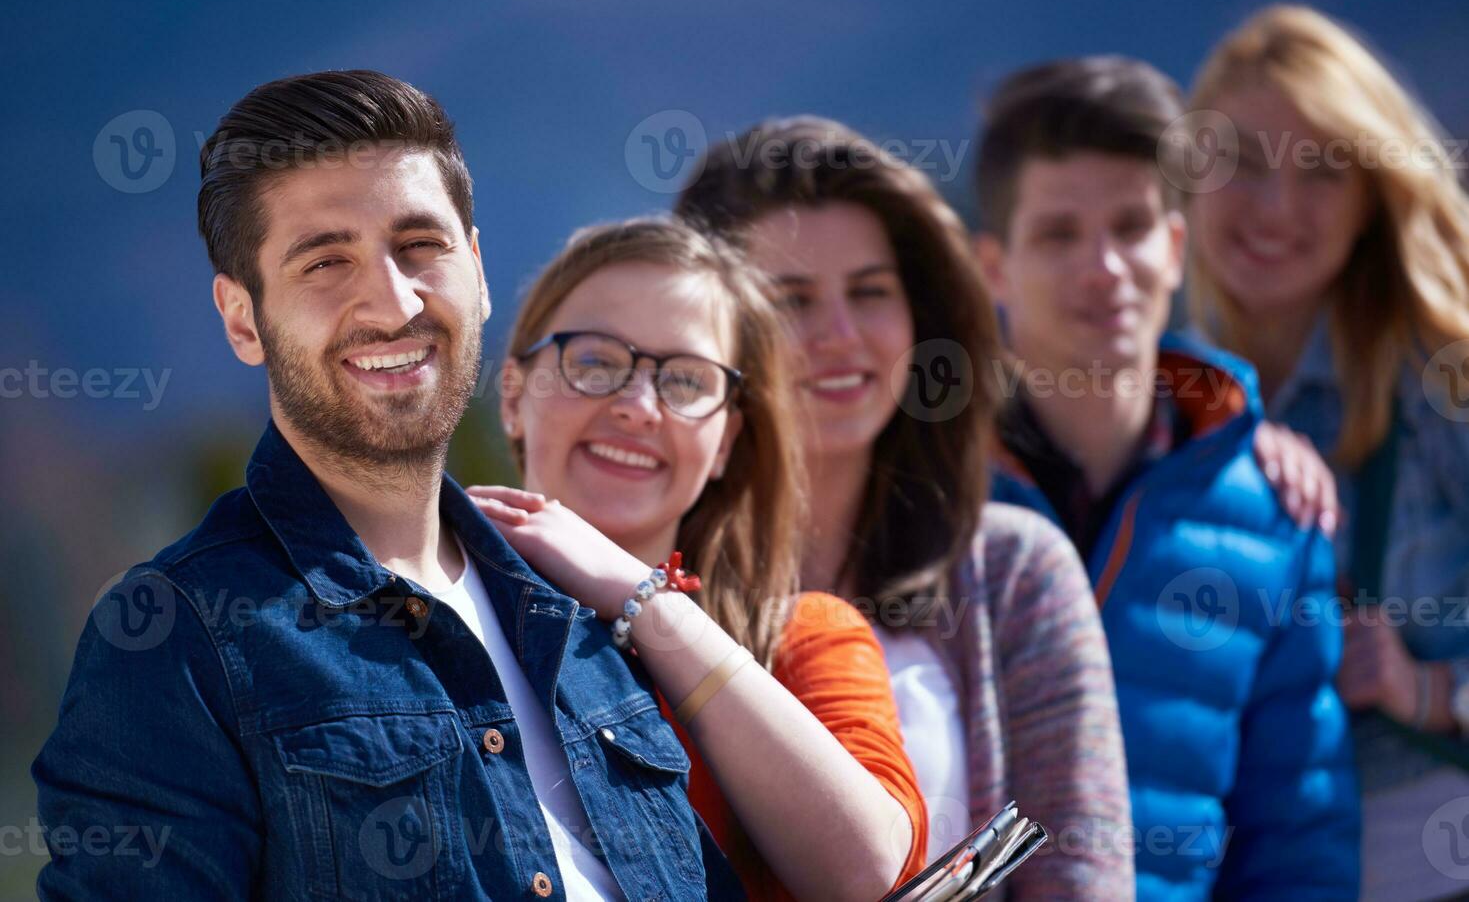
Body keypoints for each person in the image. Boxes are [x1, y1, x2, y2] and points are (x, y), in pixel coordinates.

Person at [31, 71, 742, 901]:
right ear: (240, 319)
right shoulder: (176, 642)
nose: (392, 300)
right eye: (326, 261)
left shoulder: (569, 613)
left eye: (420, 247)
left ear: (475, 271)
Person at [675, 117, 1136, 898]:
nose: (842, 335)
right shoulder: (636, 580)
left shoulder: (1013, 571)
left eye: (870, 292)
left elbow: (1081, 878)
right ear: (702, 334)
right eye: (790, 301)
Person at [972, 55, 1360, 900]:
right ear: (993, 268)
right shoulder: (923, 489)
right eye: (1059, 234)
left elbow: (1296, 834)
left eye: (1131, 226)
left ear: (1175, 247)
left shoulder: (1275, 511)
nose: (1104, 267)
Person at [468, 216, 929, 900]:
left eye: (685, 381)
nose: (636, 406)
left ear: (724, 441)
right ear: (512, 395)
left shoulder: (801, 640)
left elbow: (872, 877)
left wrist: (643, 603)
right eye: (593, 360)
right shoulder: (414, 611)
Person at [1186, 4, 1469, 901]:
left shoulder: (1440, 377)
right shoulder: (1160, 397)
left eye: (1320, 171)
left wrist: (1425, 690)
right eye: (1239, 162)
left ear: (1372, 198)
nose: (1274, 206)